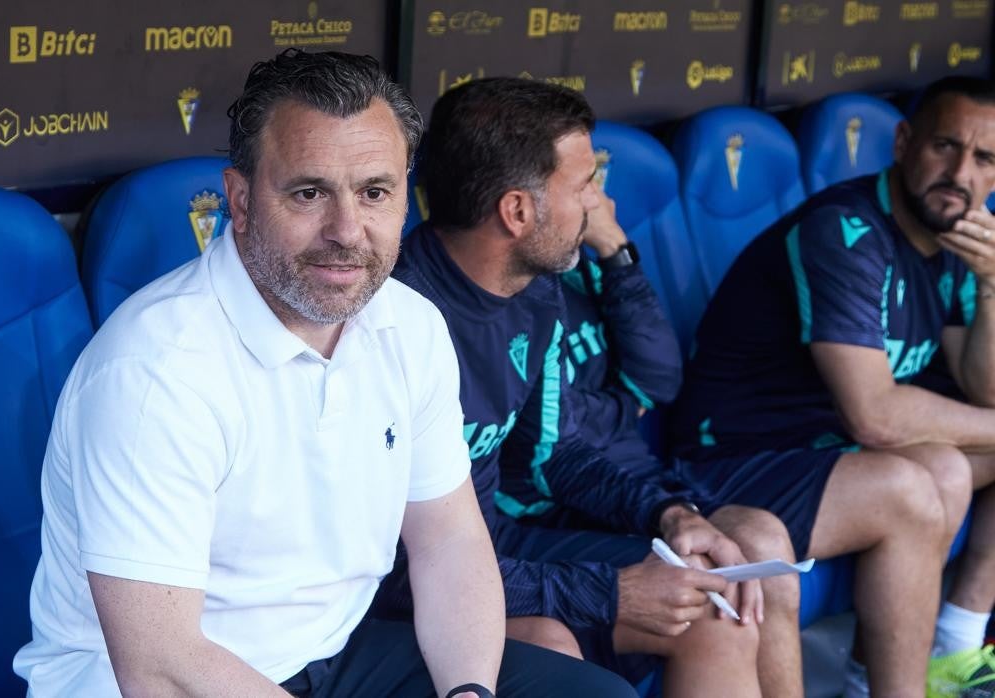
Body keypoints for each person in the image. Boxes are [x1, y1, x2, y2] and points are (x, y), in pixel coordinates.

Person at [12, 49, 635, 697]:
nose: (346, 230)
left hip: (336, 651)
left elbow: (448, 543)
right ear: (242, 199)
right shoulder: (155, 370)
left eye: (374, 193)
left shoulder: (410, 325)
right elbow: (161, 663)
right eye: (309, 193)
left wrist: (469, 694)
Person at [384, 75, 775, 697]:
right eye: (583, 184)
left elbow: (555, 452)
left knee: (714, 605)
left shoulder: (535, 292)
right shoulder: (391, 325)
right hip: (414, 587)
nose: (596, 202)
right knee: (550, 647)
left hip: (499, 552)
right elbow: (397, 571)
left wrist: (669, 515)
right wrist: (610, 592)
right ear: (518, 212)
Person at [669, 76, 995, 697]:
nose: (961, 172)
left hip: (821, 448)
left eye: (984, 159)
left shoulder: (957, 235)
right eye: (945, 147)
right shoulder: (844, 231)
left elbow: (985, 391)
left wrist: (991, 285)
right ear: (903, 143)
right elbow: (877, 417)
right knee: (912, 487)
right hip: (734, 454)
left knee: (949, 470)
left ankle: (952, 648)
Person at [496, 195, 804, 697]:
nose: (605, 199)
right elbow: (553, 443)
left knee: (763, 541)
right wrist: (621, 406)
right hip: (561, 503)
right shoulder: (515, 292)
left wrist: (615, 251)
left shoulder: (583, 274)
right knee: (716, 593)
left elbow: (658, 378)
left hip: (634, 481)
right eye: (582, 185)